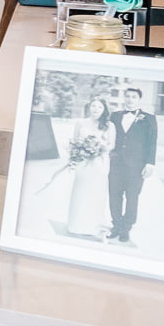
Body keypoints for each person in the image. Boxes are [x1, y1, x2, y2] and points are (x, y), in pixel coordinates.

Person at [108, 85, 158, 244]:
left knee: (132, 196)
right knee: (114, 195)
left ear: (139, 99)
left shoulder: (149, 118)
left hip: (136, 165)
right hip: (115, 163)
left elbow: (152, 143)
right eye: (128, 96)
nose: (130, 99)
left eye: (133, 97)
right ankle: (116, 225)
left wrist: (150, 163)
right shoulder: (114, 116)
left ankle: (126, 228)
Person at [66, 97, 114, 238]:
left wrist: (99, 148)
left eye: (99, 107)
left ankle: (93, 225)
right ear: (89, 107)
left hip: (99, 163)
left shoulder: (109, 125)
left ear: (104, 109)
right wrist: (79, 152)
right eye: (93, 106)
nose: (96, 109)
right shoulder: (81, 123)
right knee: (81, 192)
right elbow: (74, 142)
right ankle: (77, 224)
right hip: (83, 162)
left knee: (96, 193)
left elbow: (112, 145)